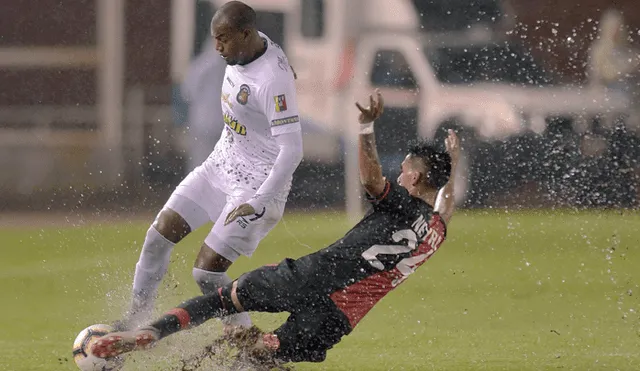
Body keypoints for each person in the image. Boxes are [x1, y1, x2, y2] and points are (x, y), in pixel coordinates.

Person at [92, 91, 461, 366]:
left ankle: (152, 331)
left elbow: (370, 178)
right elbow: (445, 205)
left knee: (225, 299)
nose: (399, 175)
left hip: (313, 276)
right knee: (258, 358)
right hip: (338, 319)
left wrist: (365, 126)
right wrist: (453, 167)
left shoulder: (400, 202)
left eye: (404, 171)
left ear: (412, 177)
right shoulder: (435, 231)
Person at [120, 0, 303, 333]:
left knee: (206, 273)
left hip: (256, 186)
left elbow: (293, 150)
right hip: (220, 165)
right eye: (214, 38)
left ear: (246, 35)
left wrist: (260, 200)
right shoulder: (247, 47)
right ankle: (136, 321)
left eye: (223, 39)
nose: (217, 46)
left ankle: (246, 344)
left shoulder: (273, 79)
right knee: (158, 236)